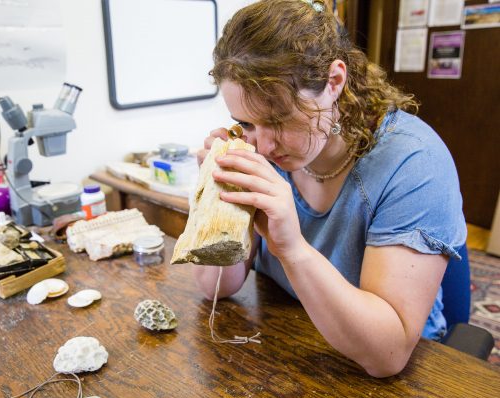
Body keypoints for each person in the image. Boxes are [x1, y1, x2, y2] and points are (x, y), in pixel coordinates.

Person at [194, 0, 466, 378]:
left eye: (278, 118)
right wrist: (217, 201)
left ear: (334, 82)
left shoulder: (413, 163)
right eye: (247, 123)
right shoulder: (261, 149)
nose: (266, 147)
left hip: (390, 367)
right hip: (290, 336)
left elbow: (387, 355)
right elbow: (217, 288)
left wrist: (292, 249)